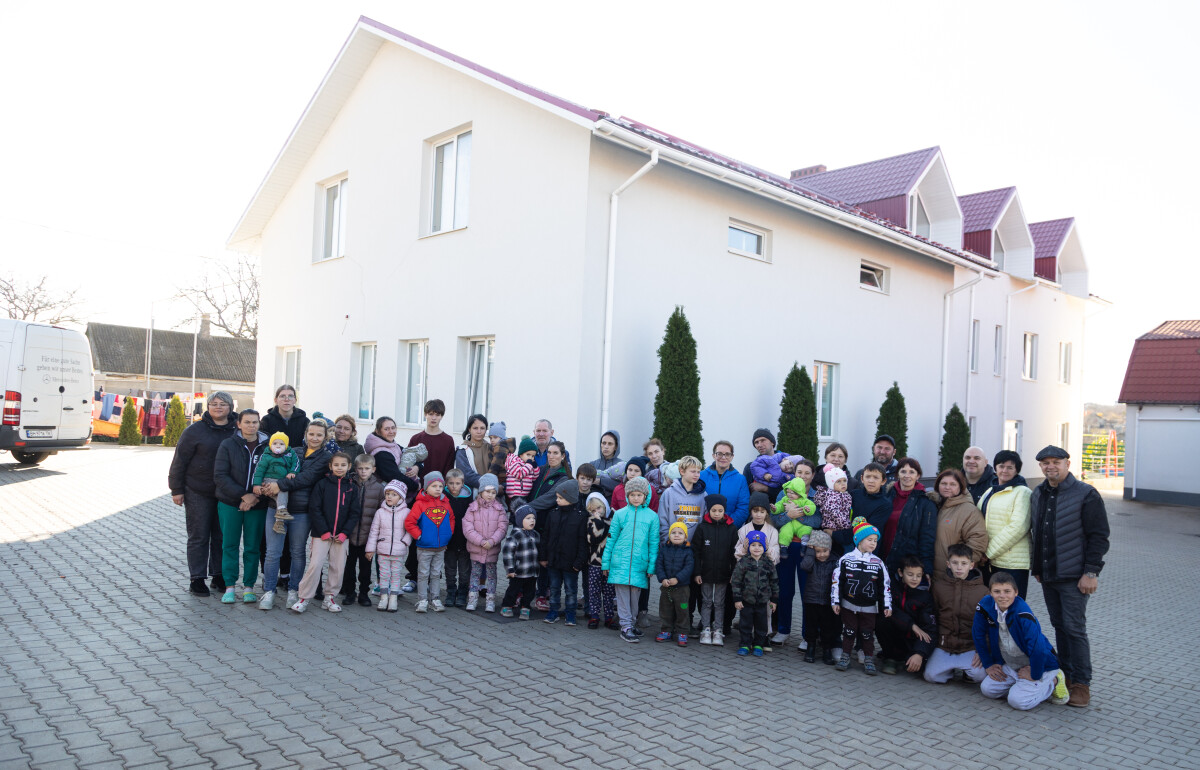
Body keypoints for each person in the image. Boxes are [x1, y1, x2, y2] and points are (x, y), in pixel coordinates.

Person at [1029, 445, 1109, 708]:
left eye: (1056, 462)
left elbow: (1099, 536)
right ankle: (1065, 677)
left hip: (1075, 577)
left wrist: (1091, 572)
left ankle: (1082, 685)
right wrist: (1038, 568)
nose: (1050, 466)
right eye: (1045, 462)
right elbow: (1038, 532)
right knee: (1059, 627)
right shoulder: (1039, 493)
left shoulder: (1086, 494)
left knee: (1075, 629)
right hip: (1049, 576)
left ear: (1067, 463)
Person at [169, 390, 237, 596]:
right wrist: (177, 489)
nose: (218, 407)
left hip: (226, 492)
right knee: (199, 535)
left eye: (223, 403)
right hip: (198, 490)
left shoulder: (237, 430)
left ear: (230, 408)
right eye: (214, 403)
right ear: (208, 407)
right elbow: (180, 460)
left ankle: (219, 575)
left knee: (222, 536)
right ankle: (197, 578)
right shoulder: (194, 431)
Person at [261, 420, 334, 606]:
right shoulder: (292, 450)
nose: (314, 438)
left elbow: (305, 479)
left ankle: (294, 590)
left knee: (297, 552)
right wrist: (268, 485)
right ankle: (269, 591)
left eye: (319, 435)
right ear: (305, 435)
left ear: (325, 437)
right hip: (275, 508)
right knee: (272, 552)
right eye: (311, 434)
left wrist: (278, 485)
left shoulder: (325, 458)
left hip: (301, 512)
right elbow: (273, 468)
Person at [974, 572, 1069, 710]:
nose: (1002, 596)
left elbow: (1038, 648)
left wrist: (1035, 674)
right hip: (1012, 664)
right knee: (988, 689)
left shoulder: (1023, 613)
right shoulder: (985, 606)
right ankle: (1022, 685)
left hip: (1038, 665)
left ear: (1016, 592)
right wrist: (988, 664)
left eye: (1007, 591)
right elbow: (978, 634)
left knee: (1018, 702)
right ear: (990, 593)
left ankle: (1054, 680)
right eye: (997, 591)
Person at [290, 452, 361, 614]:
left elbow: (354, 513)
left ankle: (330, 598)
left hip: (341, 537)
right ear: (330, 466)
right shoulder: (322, 484)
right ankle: (304, 598)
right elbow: (315, 509)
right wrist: (323, 531)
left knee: (337, 567)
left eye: (343, 465)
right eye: (336, 465)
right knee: (315, 566)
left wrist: (344, 533)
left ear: (349, 467)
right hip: (321, 535)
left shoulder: (352, 487)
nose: (339, 468)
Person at [212, 409, 268, 604]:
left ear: (259, 424)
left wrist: (255, 498)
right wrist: (244, 496)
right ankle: (229, 586)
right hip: (230, 503)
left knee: (252, 547)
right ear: (239, 424)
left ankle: (249, 586)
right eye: (247, 422)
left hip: (258, 505)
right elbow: (220, 476)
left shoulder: (267, 446)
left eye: (255, 422)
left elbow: (273, 474)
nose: (251, 426)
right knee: (229, 545)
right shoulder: (228, 444)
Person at [601, 477, 659, 643]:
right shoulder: (620, 514)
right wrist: (606, 562)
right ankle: (625, 626)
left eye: (639, 494)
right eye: (632, 494)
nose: (635, 497)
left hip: (639, 563)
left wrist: (651, 566)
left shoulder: (652, 517)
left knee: (635, 596)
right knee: (622, 596)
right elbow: (610, 540)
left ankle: (631, 623)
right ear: (627, 495)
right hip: (620, 562)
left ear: (645, 496)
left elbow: (654, 543)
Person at [832, 519, 892, 674]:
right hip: (848, 604)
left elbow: (884, 586)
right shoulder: (846, 559)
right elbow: (836, 582)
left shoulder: (878, 562)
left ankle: (868, 658)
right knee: (849, 631)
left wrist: (886, 605)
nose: (873, 543)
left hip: (869, 607)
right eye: (869, 540)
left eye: (875, 541)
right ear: (858, 540)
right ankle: (845, 656)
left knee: (867, 633)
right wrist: (835, 601)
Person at [924, 543, 988, 684]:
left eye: (964, 563)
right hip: (945, 645)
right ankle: (949, 668)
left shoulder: (983, 591)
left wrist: (982, 650)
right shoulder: (939, 587)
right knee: (930, 676)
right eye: (955, 563)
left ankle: (965, 669)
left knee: (980, 676)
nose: (959, 567)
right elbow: (933, 615)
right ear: (948, 564)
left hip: (970, 646)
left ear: (972, 565)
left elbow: (988, 624)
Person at [770, 477, 819, 646]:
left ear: (812, 475)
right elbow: (774, 519)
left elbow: (818, 521)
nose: (803, 475)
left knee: (807, 592)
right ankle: (783, 630)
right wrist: (787, 515)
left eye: (807, 473)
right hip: (786, 548)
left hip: (806, 549)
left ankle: (807, 635)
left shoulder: (814, 496)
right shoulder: (783, 494)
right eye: (800, 472)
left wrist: (798, 515)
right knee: (784, 591)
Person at [979, 450, 1032, 598]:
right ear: (995, 467)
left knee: (1011, 607)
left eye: (1010, 467)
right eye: (1001, 466)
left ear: (1017, 470)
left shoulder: (1022, 492)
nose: (1005, 470)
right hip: (991, 562)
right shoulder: (990, 490)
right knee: (994, 608)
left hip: (1011, 563)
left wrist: (988, 553)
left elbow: (1018, 527)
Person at [875, 556, 936, 675]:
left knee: (921, 669)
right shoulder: (891, 588)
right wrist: (912, 625)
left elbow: (930, 629)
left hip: (911, 642)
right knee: (883, 619)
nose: (914, 579)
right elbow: (889, 609)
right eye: (910, 574)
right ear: (900, 572)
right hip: (893, 637)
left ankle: (910, 657)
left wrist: (919, 653)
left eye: (918, 576)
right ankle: (890, 658)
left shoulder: (925, 597)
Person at [404, 471, 454, 613]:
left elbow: (452, 519)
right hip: (424, 548)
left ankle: (435, 598)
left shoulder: (446, 503)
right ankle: (422, 600)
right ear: (426, 487)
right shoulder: (419, 504)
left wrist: (447, 534)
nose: (438, 489)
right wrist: (419, 536)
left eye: (440, 486)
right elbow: (410, 522)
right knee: (423, 574)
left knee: (436, 573)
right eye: (434, 486)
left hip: (440, 547)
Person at [540, 480, 588, 626]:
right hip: (553, 561)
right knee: (554, 588)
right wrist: (543, 557)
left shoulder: (580, 517)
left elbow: (583, 542)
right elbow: (545, 537)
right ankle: (553, 611)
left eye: (560, 498)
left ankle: (571, 614)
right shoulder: (553, 514)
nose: (557, 500)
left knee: (571, 590)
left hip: (570, 563)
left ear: (570, 498)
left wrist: (578, 562)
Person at [692, 494, 737, 647]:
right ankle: (705, 628)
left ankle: (718, 630)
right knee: (706, 602)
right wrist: (697, 572)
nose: (717, 513)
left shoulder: (731, 528)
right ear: (708, 510)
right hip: (705, 573)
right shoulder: (702, 527)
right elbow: (696, 552)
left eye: (720, 510)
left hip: (724, 574)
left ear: (724, 510)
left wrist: (733, 573)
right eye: (713, 510)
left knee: (719, 603)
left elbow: (734, 553)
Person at [881, 457, 937, 578]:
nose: (907, 475)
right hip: (882, 557)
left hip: (908, 564)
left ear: (918, 476)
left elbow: (927, 537)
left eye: (912, 472)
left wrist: (927, 567)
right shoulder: (887, 495)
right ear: (897, 474)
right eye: (903, 471)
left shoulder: (926, 502)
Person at [930, 468, 990, 581]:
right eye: (943, 483)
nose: (947, 487)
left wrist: (960, 567)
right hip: (932, 573)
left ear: (960, 487)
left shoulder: (969, 511)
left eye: (953, 484)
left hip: (955, 577)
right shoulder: (932, 505)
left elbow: (978, 542)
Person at [342, 454, 383, 607]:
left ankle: (364, 593)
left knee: (365, 569)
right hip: (350, 535)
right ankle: (349, 592)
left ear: (373, 469)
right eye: (360, 468)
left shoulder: (379, 488)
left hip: (368, 538)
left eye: (367, 469)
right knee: (349, 567)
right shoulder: (349, 484)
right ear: (355, 469)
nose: (363, 472)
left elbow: (381, 512)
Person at [462, 473, 507, 612]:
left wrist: (492, 541)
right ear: (481, 491)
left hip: (491, 549)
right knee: (475, 574)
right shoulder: (472, 508)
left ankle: (490, 601)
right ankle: (472, 599)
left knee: (492, 575)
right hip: (476, 548)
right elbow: (467, 527)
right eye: (487, 491)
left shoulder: (499, 509)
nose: (490, 495)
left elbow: (503, 527)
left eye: (493, 492)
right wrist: (480, 541)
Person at [731, 530, 779, 657]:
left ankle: (759, 644)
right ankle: (745, 644)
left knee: (761, 624)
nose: (756, 548)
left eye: (760, 545)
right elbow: (736, 581)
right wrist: (737, 599)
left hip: (763, 602)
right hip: (746, 601)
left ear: (765, 547)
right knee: (745, 624)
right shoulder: (743, 562)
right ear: (748, 547)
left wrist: (774, 600)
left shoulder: (768, 563)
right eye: (753, 545)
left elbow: (774, 582)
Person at [366, 480, 411, 612]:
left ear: (401, 497)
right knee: (384, 575)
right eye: (387, 494)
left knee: (396, 575)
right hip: (383, 550)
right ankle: (384, 597)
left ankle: (393, 598)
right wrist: (370, 549)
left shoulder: (406, 512)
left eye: (394, 494)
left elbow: (411, 530)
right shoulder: (380, 512)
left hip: (398, 551)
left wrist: (404, 542)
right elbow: (374, 531)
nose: (389, 497)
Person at [799, 531, 840, 664]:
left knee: (828, 627)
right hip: (811, 600)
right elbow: (804, 566)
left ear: (830, 549)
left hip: (828, 601)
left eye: (824, 551)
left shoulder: (835, 561)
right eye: (818, 551)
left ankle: (827, 650)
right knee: (811, 626)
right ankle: (811, 647)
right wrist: (810, 551)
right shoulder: (811, 560)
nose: (821, 554)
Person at [655, 521, 695, 646]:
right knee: (665, 610)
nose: (676, 535)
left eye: (680, 533)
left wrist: (677, 578)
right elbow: (659, 565)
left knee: (682, 610)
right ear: (669, 535)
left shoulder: (688, 551)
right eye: (673, 533)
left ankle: (682, 632)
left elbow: (689, 567)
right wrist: (662, 578)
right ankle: (666, 630)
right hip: (666, 587)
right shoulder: (664, 549)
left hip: (682, 588)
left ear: (685, 537)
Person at [253, 432, 300, 531]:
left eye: (281, 444)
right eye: (275, 443)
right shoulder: (266, 455)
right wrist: (256, 484)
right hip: (269, 479)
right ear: (270, 445)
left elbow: (296, 464)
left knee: (281, 495)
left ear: (286, 445)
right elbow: (259, 470)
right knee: (283, 490)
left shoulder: (291, 453)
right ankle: (282, 511)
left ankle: (279, 522)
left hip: (281, 481)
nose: (278, 446)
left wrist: (292, 472)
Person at [500, 510, 541, 619]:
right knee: (513, 590)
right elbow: (508, 553)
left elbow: (539, 551)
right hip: (518, 571)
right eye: (528, 518)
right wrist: (510, 569)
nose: (532, 520)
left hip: (532, 571)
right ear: (519, 520)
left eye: (533, 518)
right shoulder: (516, 535)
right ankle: (507, 605)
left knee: (530, 592)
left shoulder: (536, 534)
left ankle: (525, 606)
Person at [657, 455, 707, 544]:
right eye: (693, 471)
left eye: (698, 472)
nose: (697, 475)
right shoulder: (669, 493)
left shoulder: (703, 495)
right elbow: (662, 521)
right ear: (682, 471)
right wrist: (667, 543)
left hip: (695, 548)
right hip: (672, 547)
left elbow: (705, 522)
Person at [584, 492, 616, 629]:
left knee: (609, 592)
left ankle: (609, 616)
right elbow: (593, 539)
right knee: (594, 590)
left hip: (609, 563)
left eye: (599, 508)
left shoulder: (613, 520)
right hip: (594, 563)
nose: (597, 512)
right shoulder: (591, 521)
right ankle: (594, 615)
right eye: (593, 510)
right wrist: (598, 523)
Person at [442, 469, 474, 608]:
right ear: (446, 483)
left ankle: (462, 592)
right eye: (451, 483)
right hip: (449, 541)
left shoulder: (469, 498)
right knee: (449, 568)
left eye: (457, 483)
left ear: (462, 484)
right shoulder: (443, 498)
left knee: (464, 569)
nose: (454, 486)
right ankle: (451, 591)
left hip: (465, 540)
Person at [699, 441, 750, 527]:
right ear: (713, 455)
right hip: (704, 529)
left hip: (729, 530)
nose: (723, 457)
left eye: (727, 454)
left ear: (732, 456)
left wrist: (728, 526)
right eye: (719, 454)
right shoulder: (701, 476)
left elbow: (743, 507)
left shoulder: (740, 479)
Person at [734, 494, 780, 564]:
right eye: (755, 511)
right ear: (751, 512)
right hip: (747, 570)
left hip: (766, 571)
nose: (758, 515)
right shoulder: (743, 530)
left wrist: (767, 549)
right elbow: (737, 555)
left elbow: (776, 557)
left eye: (762, 512)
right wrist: (744, 548)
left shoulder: (772, 531)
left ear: (767, 513)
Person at [454, 414, 493, 490]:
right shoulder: (463, 450)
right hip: (472, 495)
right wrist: (490, 484)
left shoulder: (491, 448)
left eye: (482, 428)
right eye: (475, 428)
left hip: (492, 494)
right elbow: (467, 476)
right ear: (469, 429)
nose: (479, 431)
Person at [742, 429, 783, 499]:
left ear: (772, 442)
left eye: (763, 440)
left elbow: (792, 491)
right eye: (756, 442)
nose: (759, 445)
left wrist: (766, 488)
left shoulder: (786, 464)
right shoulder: (750, 468)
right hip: (758, 508)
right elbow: (745, 495)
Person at [814, 466, 853, 535]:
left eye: (844, 480)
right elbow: (834, 512)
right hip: (832, 527)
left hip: (840, 527)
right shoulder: (833, 496)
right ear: (832, 485)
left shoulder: (845, 494)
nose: (843, 483)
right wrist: (847, 525)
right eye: (838, 481)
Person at [504, 437, 540, 510]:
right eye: (528, 455)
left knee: (523, 512)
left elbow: (534, 478)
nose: (531, 458)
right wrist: (529, 465)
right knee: (517, 512)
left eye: (533, 456)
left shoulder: (528, 465)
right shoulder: (514, 462)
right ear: (520, 454)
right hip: (515, 494)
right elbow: (519, 474)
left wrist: (535, 468)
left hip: (525, 494)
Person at [589, 430, 624, 495]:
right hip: (592, 502)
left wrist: (599, 481)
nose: (606, 447)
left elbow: (622, 486)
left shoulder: (622, 465)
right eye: (604, 443)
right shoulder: (592, 465)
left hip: (613, 503)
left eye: (610, 444)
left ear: (616, 447)